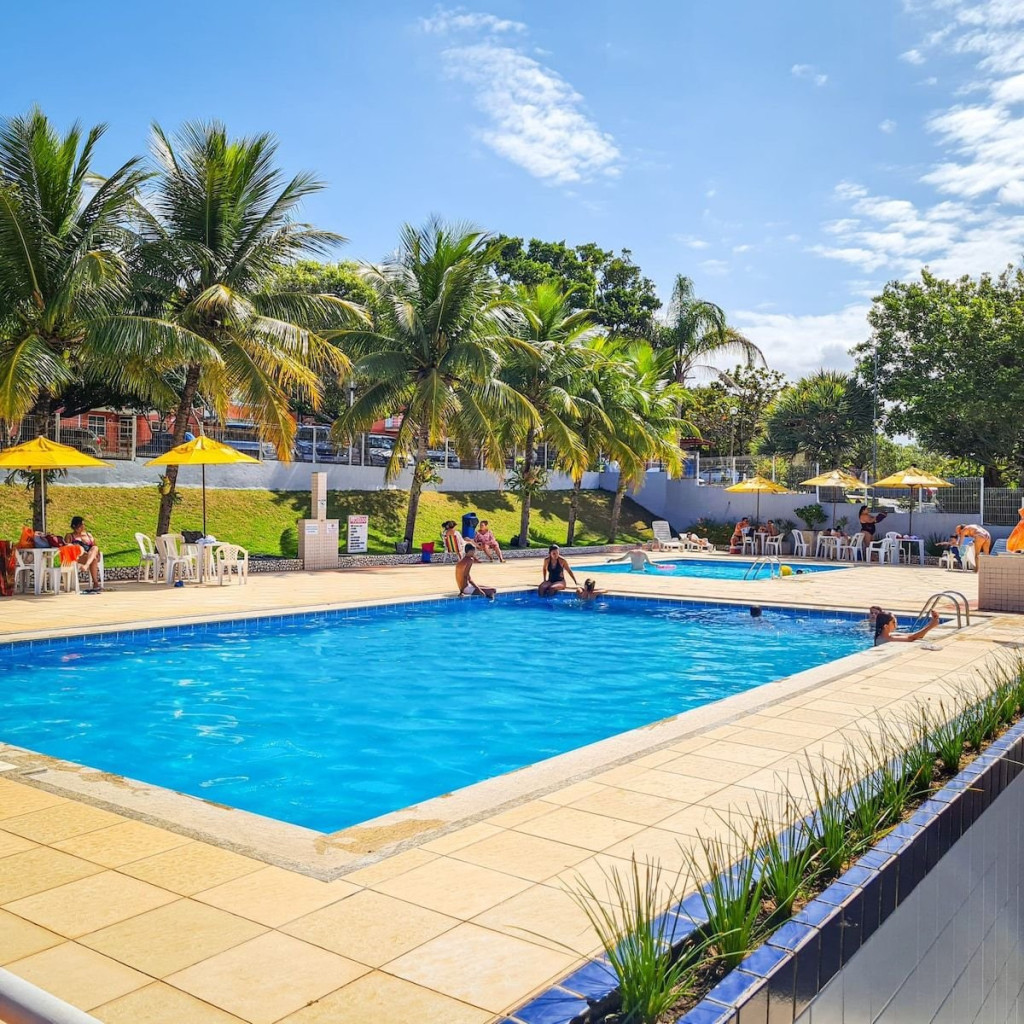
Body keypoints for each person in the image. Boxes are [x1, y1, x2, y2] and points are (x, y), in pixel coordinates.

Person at [66, 516, 102, 591]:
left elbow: (95, 547)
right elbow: (67, 549)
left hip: (89, 555)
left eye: (83, 525)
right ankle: (95, 583)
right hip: (79, 557)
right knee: (93, 559)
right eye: (80, 525)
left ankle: (86, 566)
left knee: (95, 549)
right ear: (74, 526)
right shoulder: (70, 536)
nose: (82, 527)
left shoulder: (88, 535)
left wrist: (98, 554)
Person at [873, 609, 940, 646]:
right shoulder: (885, 639)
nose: (896, 623)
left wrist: (932, 622)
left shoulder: (888, 635)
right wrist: (931, 625)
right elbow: (911, 638)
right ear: (886, 626)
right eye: (893, 622)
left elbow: (914, 635)